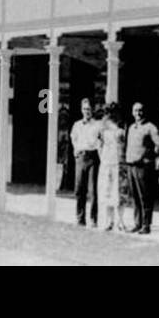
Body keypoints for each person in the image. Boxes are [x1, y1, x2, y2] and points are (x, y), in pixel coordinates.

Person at [125, 100, 159, 234]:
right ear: (132, 112)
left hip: (143, 167)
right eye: (135, 110)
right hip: (131, 166)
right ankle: (137, 223)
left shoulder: (150, 127)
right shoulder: (131, 127)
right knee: (134, 196)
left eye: (140, 110)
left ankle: (146, 225)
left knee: (145, 196)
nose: (138, 113)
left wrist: (149, 158)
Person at [70, 98, 103, 226]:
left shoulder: (97, 125)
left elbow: (102, 140)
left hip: (93, 157)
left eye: (88, 109)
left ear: (92, 110)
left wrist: (99, 149)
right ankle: (80, 218)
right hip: (81, 158)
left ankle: (93, 219)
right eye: (84, 109)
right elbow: (73, 138)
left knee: (93, 190)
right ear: (81, 110)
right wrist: (76, 150)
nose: (86, 112)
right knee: (79, 189)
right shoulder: (77, 125)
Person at [97, 103, 126, 230]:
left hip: (119, 164)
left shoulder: (122, 130)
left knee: (120, 193)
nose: (110, 115)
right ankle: (109, 221)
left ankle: (120, 221)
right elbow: (99, 146)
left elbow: (125, 146)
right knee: (108, 192)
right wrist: (103, 159)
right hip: (107, 164)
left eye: (113, 112)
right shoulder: (102, 130)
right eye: (108, 112)